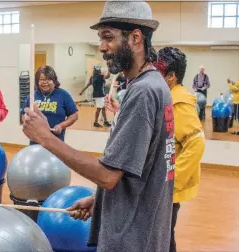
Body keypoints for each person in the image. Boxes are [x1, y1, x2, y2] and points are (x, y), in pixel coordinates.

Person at [22, 1, 175, 251]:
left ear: (135, 38)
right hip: (142, 228)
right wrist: (100, 201)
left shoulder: (144, 92)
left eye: (108, 38)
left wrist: (45, 138)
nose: (102, 47)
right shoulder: (152, 84)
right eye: (100, 38)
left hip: (131, 237)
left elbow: (108, 175)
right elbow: (136, 169)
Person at [154, 47, 206, 252]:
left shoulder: (179, 102)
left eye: (156, 71)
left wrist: (171, 181)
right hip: (156, 183)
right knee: (160, 235)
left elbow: (196, 142)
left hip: (165, 188)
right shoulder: (166, 96)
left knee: (164, 238)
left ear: (171, 76)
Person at [21, 65, 78, 144]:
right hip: (36, 141)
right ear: (37, 82)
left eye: (48, 79)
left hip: (56, 142)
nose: (44, 82)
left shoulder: (63, 95)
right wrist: (28, 125)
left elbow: (74, 116)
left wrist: (61, 126)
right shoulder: (32, 96)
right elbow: (23, 114)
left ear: (54, 80)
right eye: (41, 80)